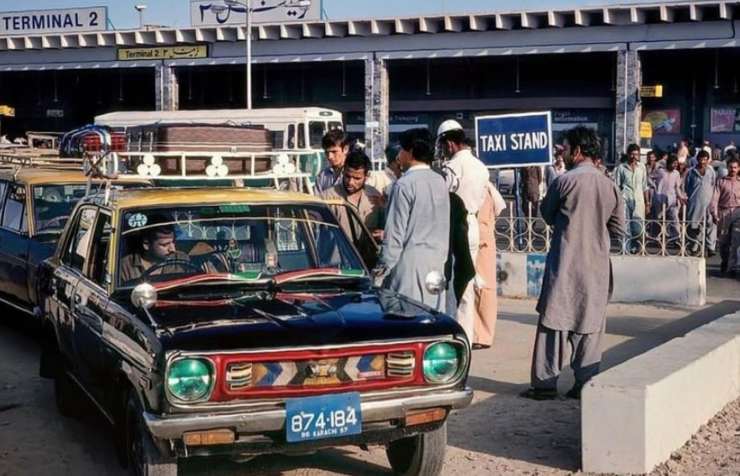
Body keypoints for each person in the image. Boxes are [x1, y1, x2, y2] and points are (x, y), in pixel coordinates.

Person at [521, 126, 625, 401]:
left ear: (577, 151)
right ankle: (585, 384)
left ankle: (544, 385)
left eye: (565, 149)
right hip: (597, 267)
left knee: (553, 323)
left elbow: (547, 214)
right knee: (590, 325)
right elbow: (619, 229)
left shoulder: (565, 181)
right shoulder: (609, 184)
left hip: (565, 263)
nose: (562, 153)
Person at [377, 128, 450, 309]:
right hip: (437, 265)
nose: (398, 155)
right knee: (432, 323)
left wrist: (381, 270)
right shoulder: (440, 181)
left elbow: (394, 237)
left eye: (401, 150)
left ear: (410, 152)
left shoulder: (404, 185)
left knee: (406, 323)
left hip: (409, 267)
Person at [437, 119, 490, 341]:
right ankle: (466, 335)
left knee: (450, 283)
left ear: (449, 144)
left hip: (454, 226)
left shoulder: (451, 168)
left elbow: (443, 200)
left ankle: (451, 334)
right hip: (473, 226)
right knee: (467, 281)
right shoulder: (481, 166)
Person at [321, 149, 383, 266]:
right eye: (347, 176)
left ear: (366, 176)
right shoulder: (328, 196)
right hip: (337, 265)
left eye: (357, 178)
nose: (350, 182)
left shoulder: (375, 196)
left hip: (367, 265)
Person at [120, 223, 191, 284]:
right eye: (165, 245)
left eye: (173, 242)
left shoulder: (181, 259)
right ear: (146, 244)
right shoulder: (124, 266)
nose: (173, 249)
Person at [614, 143, 648, 253]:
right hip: (625, 199)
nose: (634, 157)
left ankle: (636, 247)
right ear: (628, 155)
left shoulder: (642, 167)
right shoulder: (621, 168)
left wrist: (647, 203)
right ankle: (626, 249)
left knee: (638, 227)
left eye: (636, 154)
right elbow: (617, 186)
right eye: (632, 154)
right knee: (626, 225)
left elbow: (645, 186)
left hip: (638, 200)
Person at [684, 149, 717, 256]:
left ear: (708, 160)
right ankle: (694, 247)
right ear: (697, 159)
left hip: (709, 203)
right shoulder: (691, 172)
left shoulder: (711, 171)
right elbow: (687, 187)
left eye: (705, 160)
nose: (703, 162)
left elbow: (714, 185)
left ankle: (711, 247)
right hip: (695, 203)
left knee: (710, 225)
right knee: (694, 226)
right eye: (701, 159)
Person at [711, 157, 740, 273]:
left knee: (736, 242)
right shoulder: (721, 181)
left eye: (735, 167)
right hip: (723, 213)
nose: (733, 169)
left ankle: (732, 266)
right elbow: (714, 199)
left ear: (738, 168)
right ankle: (725, 260)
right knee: (723, 242)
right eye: (731, 167)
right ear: (727, 168)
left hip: (738, 213)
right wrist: (714, 213)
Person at [652, 154, 685, 243]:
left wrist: (680, 197)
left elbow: (677, 187)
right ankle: (656, 237)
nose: (675, 165)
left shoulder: (676, 173)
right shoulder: (660, 171)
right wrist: (655, 188)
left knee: (674, 218)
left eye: (676, 164)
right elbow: (650, 178)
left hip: (672, 199)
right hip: (660, 199)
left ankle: (675, 238)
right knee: (658, 219)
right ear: (669, 163)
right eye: (673, 163)